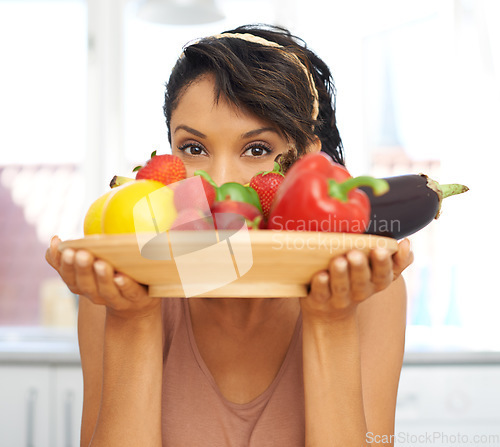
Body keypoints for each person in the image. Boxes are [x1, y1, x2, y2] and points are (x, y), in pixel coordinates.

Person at [46, 24, 413, 447]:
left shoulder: (369, 287)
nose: (219, 181)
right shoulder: (118, 282)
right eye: (194, 148)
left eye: (257, 149)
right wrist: (132, 319)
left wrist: (331, 322)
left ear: (308, 160)